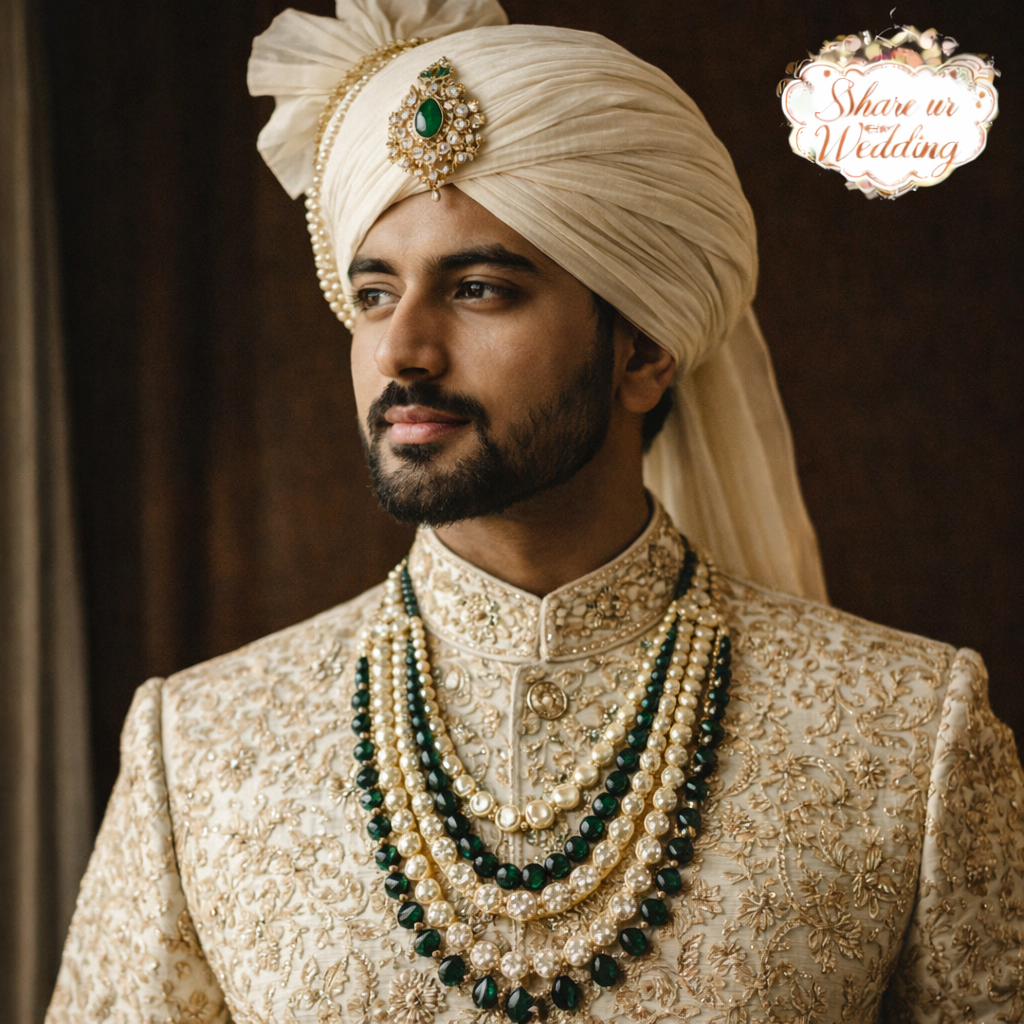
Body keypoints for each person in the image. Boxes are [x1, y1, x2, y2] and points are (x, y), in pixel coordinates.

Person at [47, 2, 1024, 1022]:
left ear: (641, 351)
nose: (400, 351)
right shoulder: (201, 744)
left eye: (477, 289)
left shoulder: (908, 730)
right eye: (375, 294)